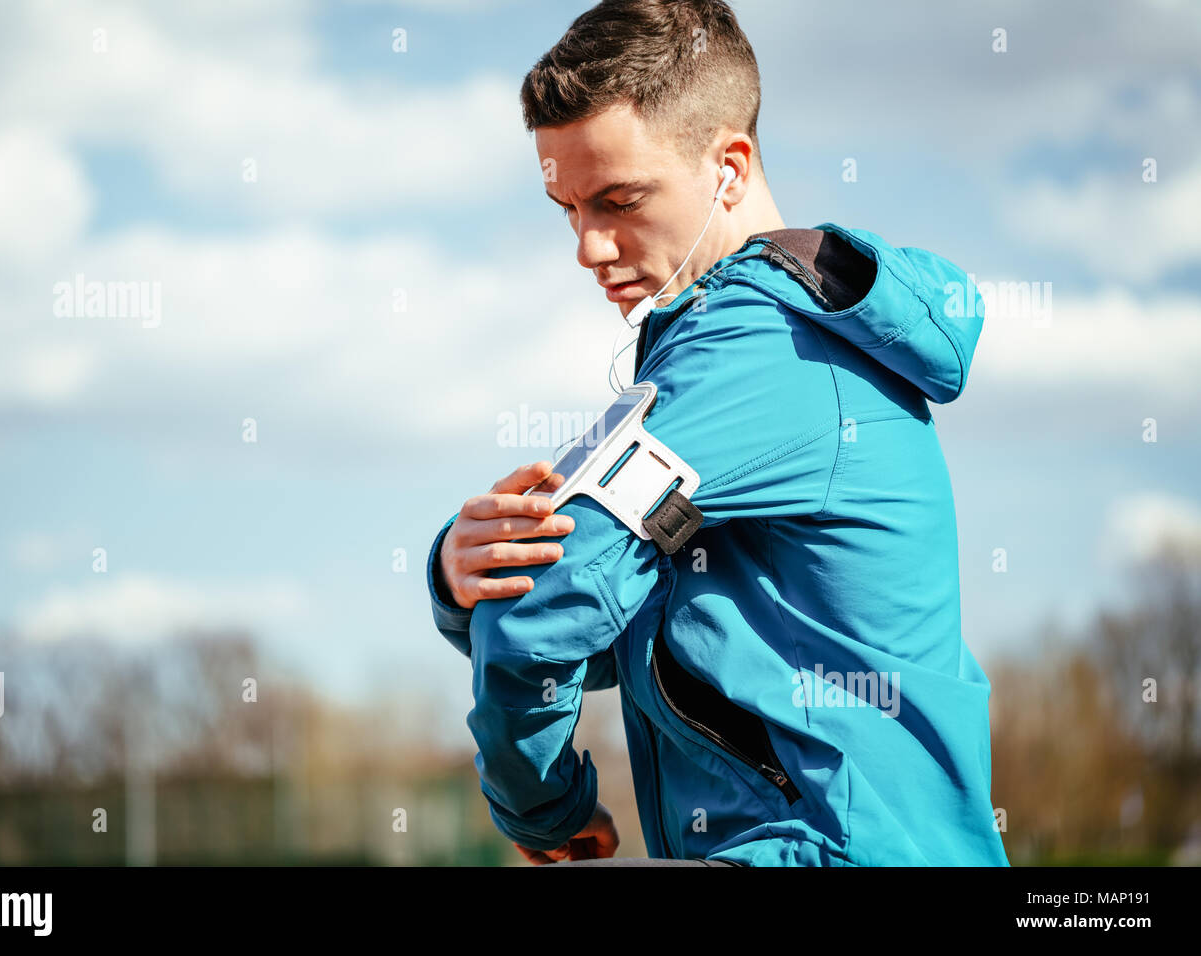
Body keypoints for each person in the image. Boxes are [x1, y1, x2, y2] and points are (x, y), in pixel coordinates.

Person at [426, 0, 1009, 867]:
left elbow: (545, 614)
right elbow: (603, 619)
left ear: (729, 168)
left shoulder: (763, 350)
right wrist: (461, 574)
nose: (587, 247)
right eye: (568, 208)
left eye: (617, 200)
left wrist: (544, 813)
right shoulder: (715, 351)